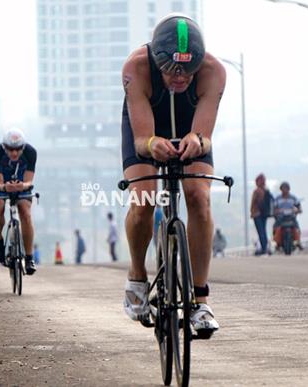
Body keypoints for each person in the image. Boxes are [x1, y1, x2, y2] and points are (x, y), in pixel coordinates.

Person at [120, 13, 226, 335]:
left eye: (188, 70)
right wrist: (152, 143)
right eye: (171, 70)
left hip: (190, 125)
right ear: (156, 59)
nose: (180, 78)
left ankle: (200, 300)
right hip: (148, 127)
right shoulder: (136, 67)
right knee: (144, 200)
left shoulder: (213, 71)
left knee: (199, 197)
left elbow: (204, 133)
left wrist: (197, 139)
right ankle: (137, 277)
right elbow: (141, 140)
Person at [0, 128, 37, 275]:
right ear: (4, 147)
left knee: (26, 213)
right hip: (1, 184)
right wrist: (5, 187)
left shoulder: (31, 152)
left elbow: (29, 181)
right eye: (10, 149)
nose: (14, 153)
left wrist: (22, 186)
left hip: (22, 184)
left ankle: (29, 257)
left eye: (17, 149)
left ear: (23, 147)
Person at [273, 182, 303, 250]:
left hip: (291, 217)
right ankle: (277, 243)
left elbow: (298, 206)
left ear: (289, 189)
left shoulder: (293, 198)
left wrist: (298, 210)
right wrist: (276, 212)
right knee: (276, 227)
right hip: (281, 217)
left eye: (286, 189)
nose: (285, 190)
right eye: (283, 189)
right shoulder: (278, 198)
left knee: (297, 228)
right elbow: (274, 208)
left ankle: (298, 242)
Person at [250, 173, 273, 255]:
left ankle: (264, 249)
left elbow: (254, 203)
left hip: (257, 214)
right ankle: (265, 247)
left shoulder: (257, 191)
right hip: (264, 214)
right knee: (264, 231)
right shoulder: (266, 190)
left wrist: (252, 212)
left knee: (261, 232)